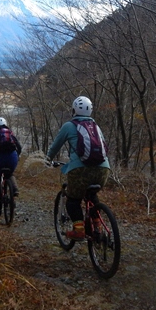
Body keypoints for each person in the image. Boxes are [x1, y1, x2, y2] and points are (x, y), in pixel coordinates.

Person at [46, 96, 110, 240]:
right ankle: (98, 227)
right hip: (103, 170)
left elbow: (55, 146)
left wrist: (47, 160)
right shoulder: (96, 127)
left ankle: (79, 230)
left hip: (80, 171)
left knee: (73, 200)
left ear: (74, 109)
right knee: (91, 195)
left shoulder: (69, 126)